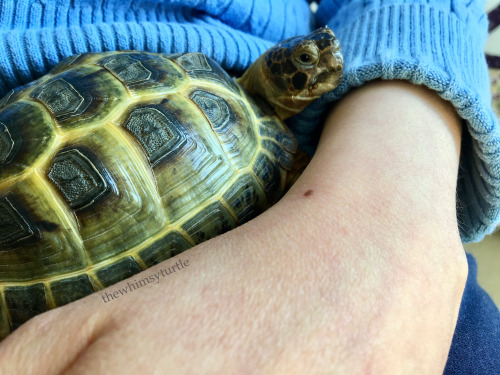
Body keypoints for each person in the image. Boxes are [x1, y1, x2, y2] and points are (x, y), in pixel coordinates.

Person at [0, 0, 498, 373]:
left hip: (352, 169)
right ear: (283, 81)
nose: (321, 61)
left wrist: (389, 198)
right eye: (305, 62)